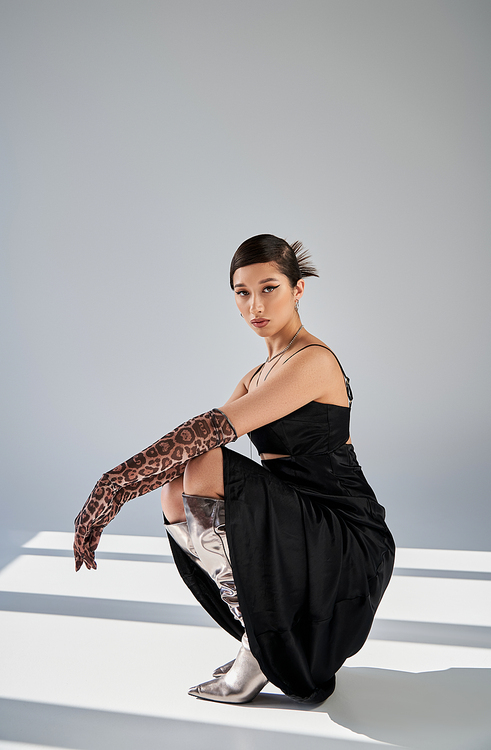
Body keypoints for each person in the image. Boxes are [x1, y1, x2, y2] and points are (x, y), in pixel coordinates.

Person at [74, 234, 395, 706]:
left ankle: (259, 650)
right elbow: (188, 451)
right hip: (296, 521)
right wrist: (113, 497)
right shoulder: (258, 373)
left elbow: (208, 432)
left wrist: (112, 487)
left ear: (298, 289)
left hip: (343, 530)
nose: (255, 305)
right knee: (176, 480)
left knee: (206, 456)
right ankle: (261, 637)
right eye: (242, 293)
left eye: (269, 288)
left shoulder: (314, 361)